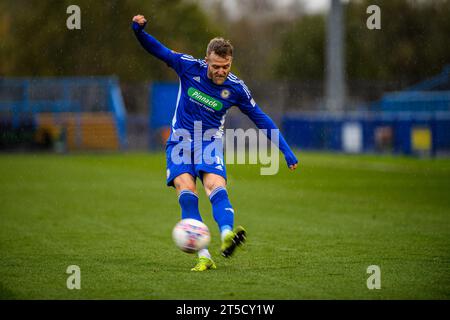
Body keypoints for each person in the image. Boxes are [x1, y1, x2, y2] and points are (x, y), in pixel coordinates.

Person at [132, 14, 298, 271]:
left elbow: (261, 118)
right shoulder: (187, 66)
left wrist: (285, 151)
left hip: (209, 142)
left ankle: (227, 236)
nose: (221, 71)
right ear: (206, 59)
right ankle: (204, 257)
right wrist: (139, 33)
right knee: (187, 195)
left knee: (214, 186)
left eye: (226, 66)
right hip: (180, 141)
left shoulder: (236, 89)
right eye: (216, 66)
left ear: (231, 63)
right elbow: (159, 50)